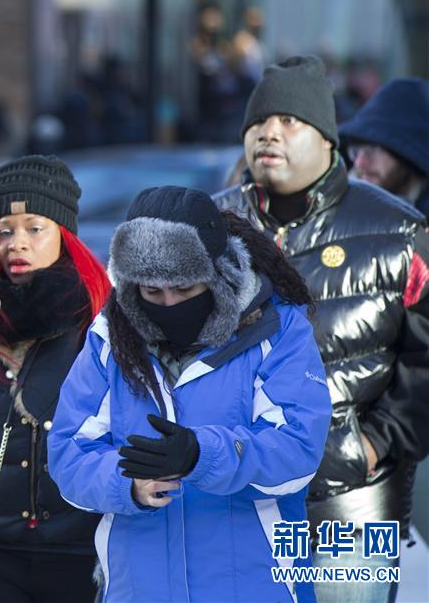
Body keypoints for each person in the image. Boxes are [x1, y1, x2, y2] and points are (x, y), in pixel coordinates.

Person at [48, 186, 332, 602]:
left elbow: (298, 450)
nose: (168, 303)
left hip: (254, 586)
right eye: (152, 292)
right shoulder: (110, 338)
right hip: (139, 589)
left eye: (184, 290)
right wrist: (128, 484)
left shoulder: (276, 329)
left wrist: (203, 455)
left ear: (217, 276)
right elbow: (69, 452)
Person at [214, 55, 429, 603]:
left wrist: (371, 445)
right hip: (232, 508)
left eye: (289, 122)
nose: (269, 134)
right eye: (258, 123)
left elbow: (422, 363)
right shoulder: (209, 227)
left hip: (349, 511)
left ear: (327, 139)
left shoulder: (399, 231)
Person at [0, 156, 111, 602]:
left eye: (34, 227)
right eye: (5, 230)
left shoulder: (101, 325)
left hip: (76, 549)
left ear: (64, 233)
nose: (16, 243)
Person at [339, 77, 429, 215]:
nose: (359, 162)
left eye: (372, 151)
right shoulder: (340, 207)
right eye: (355, 151)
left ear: (408, 157)